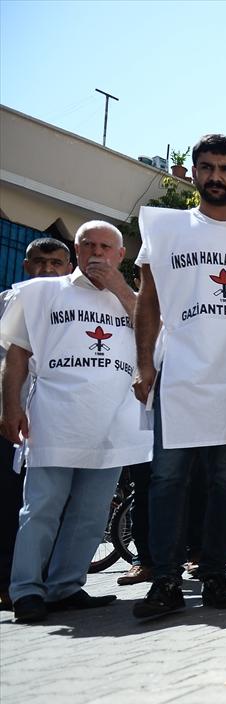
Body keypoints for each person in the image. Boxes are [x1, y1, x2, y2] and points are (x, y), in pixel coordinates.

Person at [130, 134, 226, 620]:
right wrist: (142, 364)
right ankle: (166, 582)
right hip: (179, 375)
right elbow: (148, 301)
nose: (216, 176)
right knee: (167, 482)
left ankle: (216, 575)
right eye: (207, 167)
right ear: (194, 172)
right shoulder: (167, 228)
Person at [0, 221, 151, 623]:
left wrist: (121, 289)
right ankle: (27, 590)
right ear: (76, 249)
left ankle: (66, 586)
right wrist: (10, 407)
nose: (97, 253)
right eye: (89, 245)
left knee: (91, 512)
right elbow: (16, 355)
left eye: (106, 246)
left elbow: (152, 335)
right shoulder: (40, 293)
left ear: (121, 256)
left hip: (112, 422)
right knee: (42, 508)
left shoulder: (132, 300)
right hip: (54, 418)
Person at [0, 238, 74, 610]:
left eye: (56, 263)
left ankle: (47, 583)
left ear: (68, 267)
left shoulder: (74, 305)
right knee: (10, 502)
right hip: (11, 417)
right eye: (40, 263)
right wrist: (9, 406)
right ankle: (12, 585)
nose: (47, 269)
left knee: (47, 505)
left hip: (53, 421)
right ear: (27, 266)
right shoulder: (7, 302)